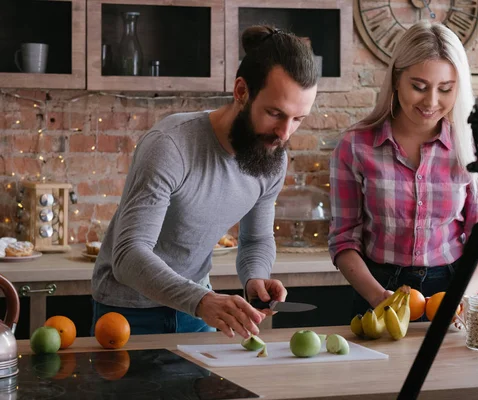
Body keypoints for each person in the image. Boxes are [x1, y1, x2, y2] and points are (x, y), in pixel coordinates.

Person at [91, 25, 319, 337]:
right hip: (129, 312)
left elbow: (255, 240)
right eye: (275, 113)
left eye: (298, 119)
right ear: (241, 92)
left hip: (199, 313)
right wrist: (201, 300)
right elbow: (128, 255)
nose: (284, 134)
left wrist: (255, 278)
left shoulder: (272, 156)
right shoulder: (171, 145)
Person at [328, 20, 478, 318]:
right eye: (419, 87)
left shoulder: (472, 148)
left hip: (451, 288)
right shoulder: (355, 147)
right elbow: (343, 239)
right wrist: (377, 296)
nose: (431, 102)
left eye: (445, 89)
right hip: (376, 287)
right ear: (395, 80)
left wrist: (461, 298)